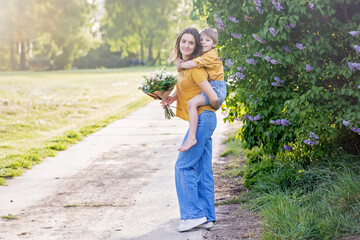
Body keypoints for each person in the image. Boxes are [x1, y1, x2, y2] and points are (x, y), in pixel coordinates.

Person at [163, 27, 218, 232]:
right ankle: (207, 217)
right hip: (205, 119)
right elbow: (188, 87)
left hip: (204, 119)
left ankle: (192, 215)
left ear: (196, 47)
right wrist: (172, 97)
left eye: (191, 43)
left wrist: (215, 101)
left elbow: (211, 95)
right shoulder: (185, 69)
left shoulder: (194, 68)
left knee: (182, 166)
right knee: (202, 169)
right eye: (183, 42)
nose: (186, 45)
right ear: (178, 44)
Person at [176, 27, 226, 152]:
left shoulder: (210, 55)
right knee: (204, 166)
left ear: (214, 44)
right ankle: (192, 137)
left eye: (207, 40)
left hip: (217, 87)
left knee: (192, 103)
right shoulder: (204, 55)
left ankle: (192, 138)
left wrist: (180, 65)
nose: (203, 42)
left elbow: (193, 64)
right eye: (201, 40)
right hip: (213, 90)